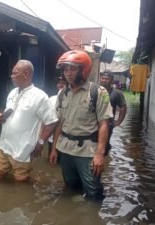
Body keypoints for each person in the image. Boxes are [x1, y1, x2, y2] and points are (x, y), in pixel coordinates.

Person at [50, 50, 113, 200]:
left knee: (93, 192)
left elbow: (104, 124)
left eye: (73, 68)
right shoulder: (62, 93)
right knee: (70, 186)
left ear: (83, 69)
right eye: (65, 69)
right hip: (65, 150)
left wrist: (99, 154)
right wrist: (54, 149)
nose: (68, 73)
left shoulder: (98, 92)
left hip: (87, 152)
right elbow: (59, 123)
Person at [0, 60, 58, 182]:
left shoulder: (40, 96)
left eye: (14, 73)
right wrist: (1, 118)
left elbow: (52, 121)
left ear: (26, 74)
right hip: (4, 146)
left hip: (23, 150)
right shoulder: (12, 92)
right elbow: (10, 114)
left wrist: (41, 142)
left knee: (21, 184)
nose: (11, 76)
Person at [99, 70, 127, 154]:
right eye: (103, 78)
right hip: (94, 124)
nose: (104, 80)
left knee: (104, 146)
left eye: (107, 79)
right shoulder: (96, 90)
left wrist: (118, 122)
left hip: (108, 124)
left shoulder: (117, 93)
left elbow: (123, 107)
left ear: (111, 80)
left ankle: (104, 162)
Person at [47, 77, 68, 159]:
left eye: (64, 83)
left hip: (66, 139)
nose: (61, 85)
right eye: (59, 83)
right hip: (52, 138)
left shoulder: (71, 99)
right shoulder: (51, 99)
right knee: (52, 163)